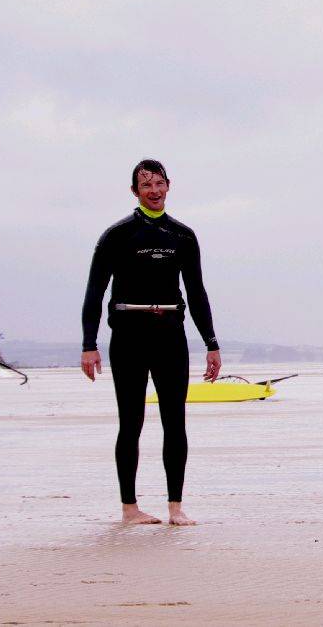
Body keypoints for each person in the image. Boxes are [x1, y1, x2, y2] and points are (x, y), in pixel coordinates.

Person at [80, 159, 221, 526]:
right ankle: (130, 509)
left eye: (159, 183)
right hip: (128, 335)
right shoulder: (117, 235)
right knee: (132, 422)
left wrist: (211, 342)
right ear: (135, 192)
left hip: (170, 336)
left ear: (169, 186)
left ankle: (176, 507)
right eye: (146, 186)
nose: (154, 191)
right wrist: (88, 344)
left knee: (176, 421)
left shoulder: (183, 236)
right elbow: (95, 291)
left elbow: (197, 291)